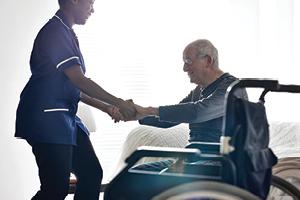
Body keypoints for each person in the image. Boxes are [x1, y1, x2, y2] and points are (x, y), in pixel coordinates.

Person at [15, 0, 136, 199]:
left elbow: (73, 86)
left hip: (64, 117)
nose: (93, 9)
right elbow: (79, 79)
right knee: (55, 188)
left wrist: (106, 107)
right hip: (46, 118)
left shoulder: (66, 32)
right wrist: (119, 102)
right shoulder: (55, 32)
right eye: (91, 2)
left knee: (91, 173)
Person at [121, 39, 248, 172]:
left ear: (208, 61)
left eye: (188, 61)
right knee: (135, 174)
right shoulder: (199, 90)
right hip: (193, 159)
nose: (184, 68)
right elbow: (172, 118)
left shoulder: (232, 88)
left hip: (218, 161)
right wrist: (138, 115)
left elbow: (197, 112)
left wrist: (148, 110)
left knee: (162, 177)